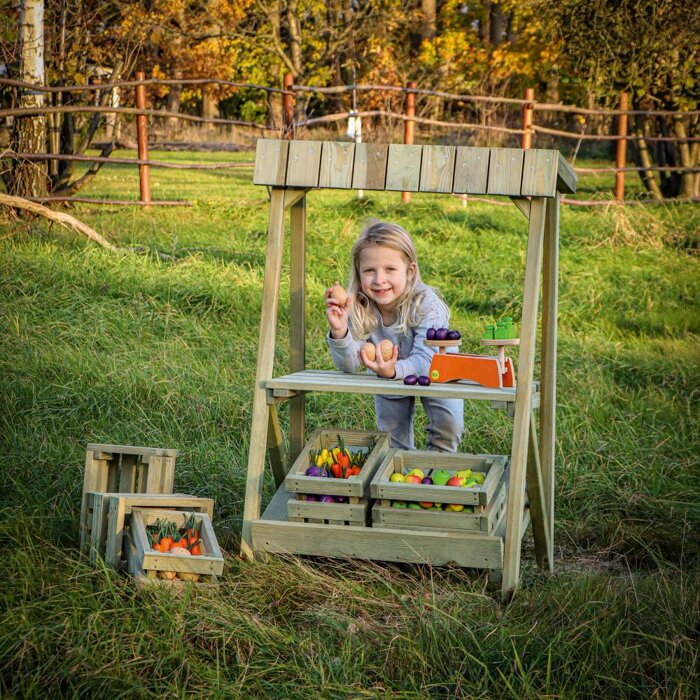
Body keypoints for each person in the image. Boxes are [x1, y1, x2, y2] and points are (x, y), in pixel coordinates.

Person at [325, 220, 464, 452]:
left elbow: (428, 362)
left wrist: (391, 371)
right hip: (386, 375)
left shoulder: (427, 305)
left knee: (448, 428)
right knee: (393, 440)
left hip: (440, 374)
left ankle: (436, 479)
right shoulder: (360, 306)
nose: (379, 279)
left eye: (390, 269)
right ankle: (399, 481)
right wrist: (340, 332)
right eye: (370, 270)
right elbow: (350, 364)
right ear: (359, 273)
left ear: (410, 271)